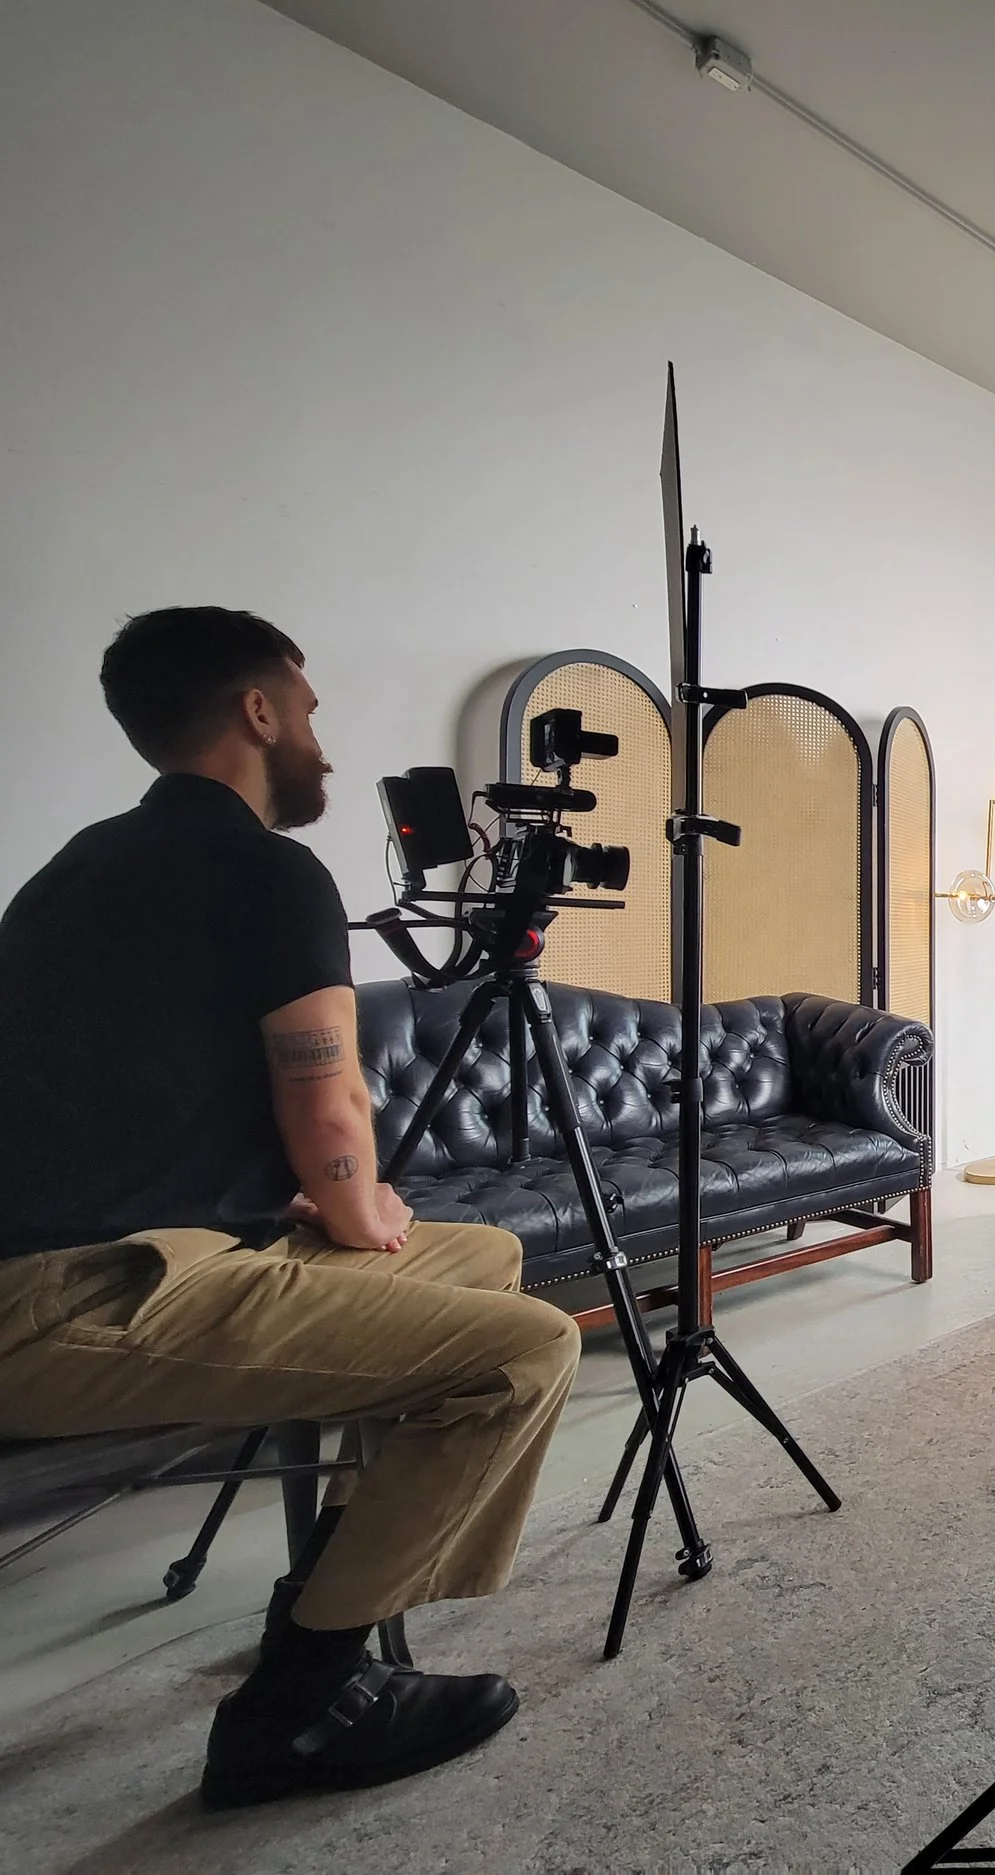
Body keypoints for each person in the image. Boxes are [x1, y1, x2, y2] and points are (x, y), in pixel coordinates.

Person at [0, 608, 581, 1809]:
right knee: (527, 1354)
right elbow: (327, 1117)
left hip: (144, 1256)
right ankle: (295, 1708)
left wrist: (314, 1207)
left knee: (477, 1254)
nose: (319, 740)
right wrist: (352, 1203)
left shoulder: (76, 866)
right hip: (76, 1299)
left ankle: (329, 1584)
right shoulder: (267, 868)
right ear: (258, 713)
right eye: (307, 712)